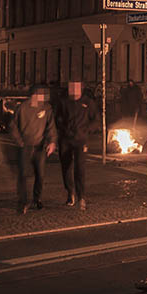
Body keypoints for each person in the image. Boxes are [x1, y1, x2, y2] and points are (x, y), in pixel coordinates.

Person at [10, 86, 58, 213]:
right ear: (34, 95)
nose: (44, 98)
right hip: (25, 146)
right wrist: (19, 141)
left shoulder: (46, 108)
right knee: (23, 175)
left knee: (40, 175)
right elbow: (13, 126)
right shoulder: (22, 108)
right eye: (42, 95)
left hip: (40, 147)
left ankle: (37, 199)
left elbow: (51, 126)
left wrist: (52, 141)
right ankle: (23, 201)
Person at [56, 81, 92, 209]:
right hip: (65, 140)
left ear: (81, 89)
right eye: (72, 88)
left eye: (76, 88)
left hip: (80, 140)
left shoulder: (87, 102)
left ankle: (81, 196)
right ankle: (70, 192)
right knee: (66, 167)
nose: (74, 91)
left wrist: (86, 130)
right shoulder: (63, 102)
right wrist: (62, 128)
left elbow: (96, 119)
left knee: (80, 168)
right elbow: (57, 118)